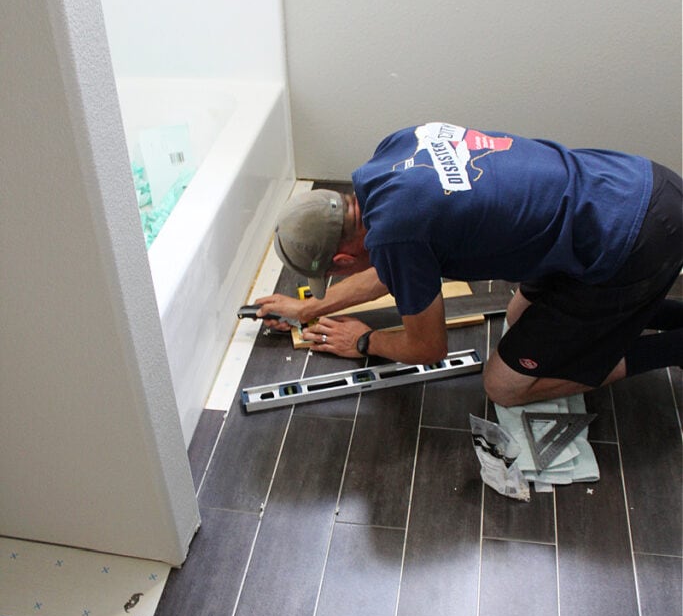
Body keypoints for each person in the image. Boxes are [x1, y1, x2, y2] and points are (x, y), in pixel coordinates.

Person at [256, 122, 682, 407]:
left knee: (504, 387)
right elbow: (392, 269)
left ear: (344, 259)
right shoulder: (389, 156)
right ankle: (647, 309)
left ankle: (672, 346)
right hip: (633, 181)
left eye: (332, 274)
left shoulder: (396, 237)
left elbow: (429, 348)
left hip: (633, 243)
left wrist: (366, 342)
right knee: (519, 313)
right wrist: (309, 309)